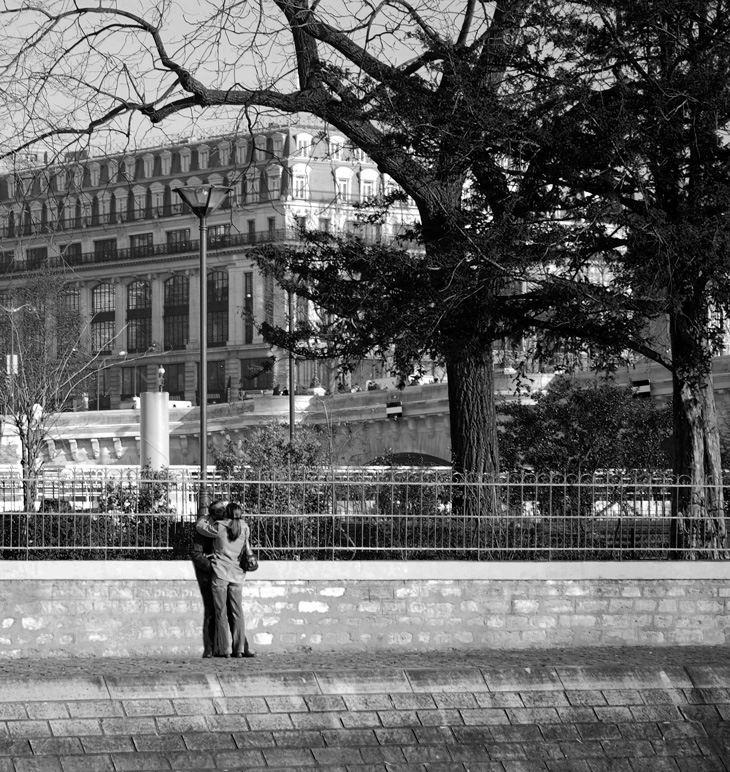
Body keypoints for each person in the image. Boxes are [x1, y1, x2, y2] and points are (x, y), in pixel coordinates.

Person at [195, 501, 255, 658]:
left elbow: (200, 527)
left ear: (226, 513)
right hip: (237, 574)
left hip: (220, 573)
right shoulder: (245, 527)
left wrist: (205, 516)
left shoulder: (219, 527)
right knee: (237, 613)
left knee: (220, 612)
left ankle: (224, 649)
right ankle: (240, 649)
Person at [190, 500, 226, 658]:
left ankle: (236, 647)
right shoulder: (204, 528)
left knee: (232, 610)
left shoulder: (229, 526)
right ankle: (210, 648)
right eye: (222, 510)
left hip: (227, 572)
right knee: (211, 611)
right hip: (209, 574)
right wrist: (211, 568)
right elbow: (196, 553)